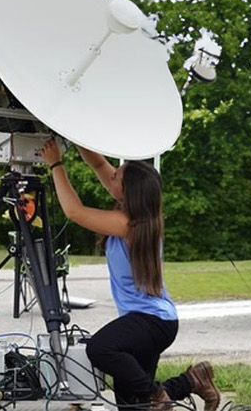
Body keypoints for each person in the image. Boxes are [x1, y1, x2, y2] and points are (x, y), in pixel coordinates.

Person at [41, 140, 219, 411]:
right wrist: (75, 138)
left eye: (115, 177)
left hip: (152, 321)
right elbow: (98, 163)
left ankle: (158, 395)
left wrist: (56, 163)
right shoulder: (140, 218)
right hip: (153, 321)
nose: (109, 174)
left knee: (100, 349)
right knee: (131, 406)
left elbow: (74, 211)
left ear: (128, 192)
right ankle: (193, 380)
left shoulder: (128, 225)